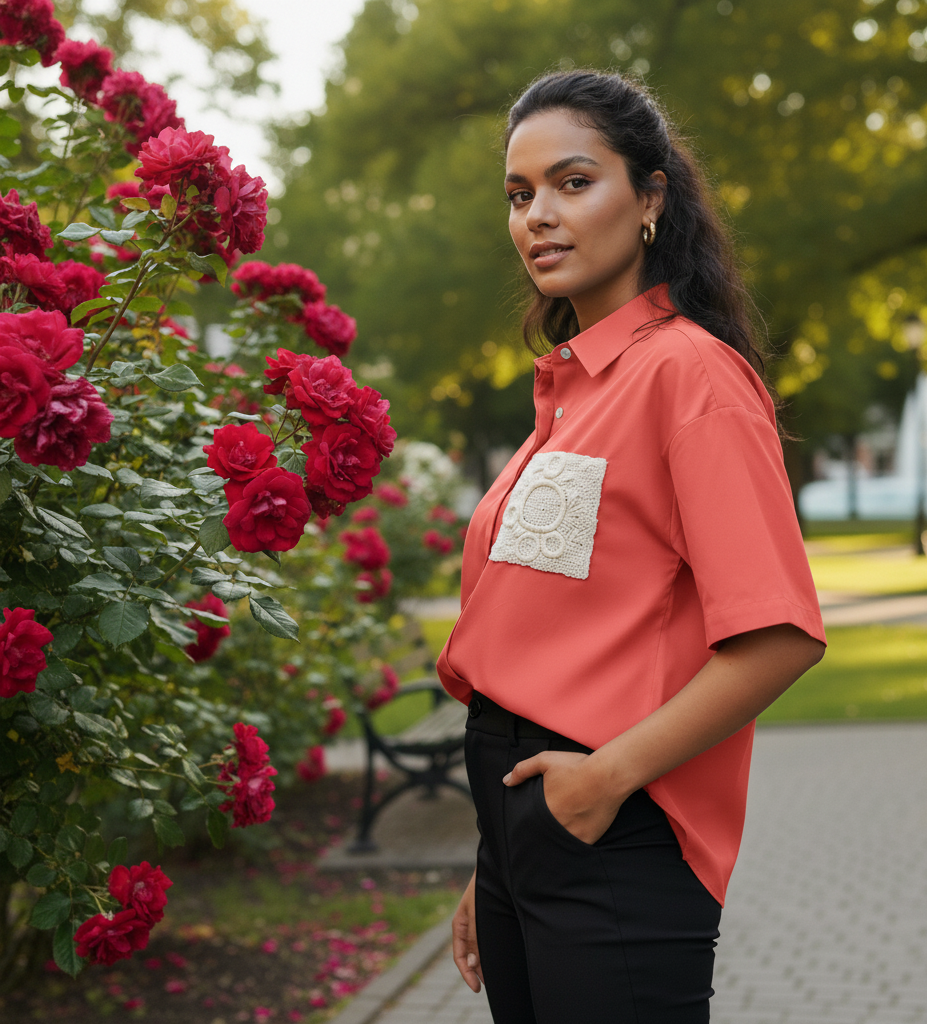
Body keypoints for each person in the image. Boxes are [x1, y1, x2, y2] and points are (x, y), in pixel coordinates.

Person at [436, 70, 827, 1023]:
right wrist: (496, 854)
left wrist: (599, 782)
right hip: (523, 821)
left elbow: (779, 633)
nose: (538, 216)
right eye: (519, 195)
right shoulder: (570, 393)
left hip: (613, 820)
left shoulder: (688, 376)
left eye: (574, 183)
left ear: (650, 197)